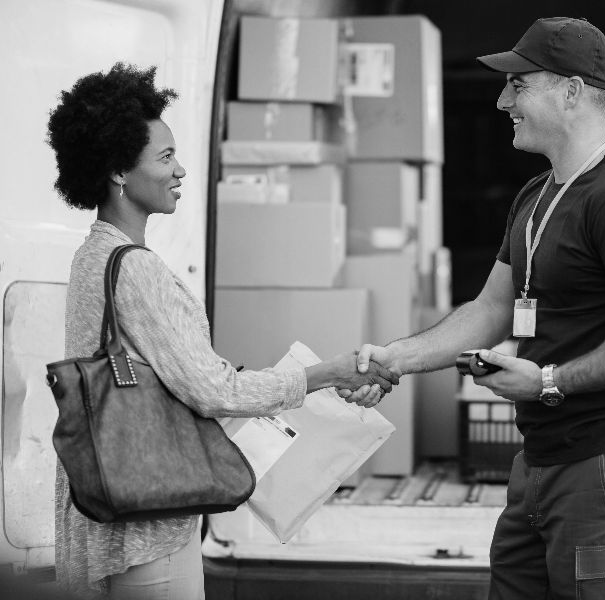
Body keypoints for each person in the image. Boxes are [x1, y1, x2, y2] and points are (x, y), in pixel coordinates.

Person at [348, 17, 605, 600]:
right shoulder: (537, 196)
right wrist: (396, 358)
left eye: (519, 85)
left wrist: (550, 381)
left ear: (572, 92)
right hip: (539, 460)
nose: (503, 99)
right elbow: (490, 310)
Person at [46, 63, 397, 599]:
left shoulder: (90, 255)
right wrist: (326, 373)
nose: (181, 169)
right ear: (118, 171)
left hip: (96, 513)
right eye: (165, 157)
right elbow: (213, 392)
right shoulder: (135, 267)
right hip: (148, 530)